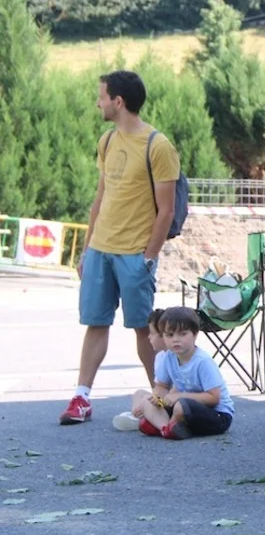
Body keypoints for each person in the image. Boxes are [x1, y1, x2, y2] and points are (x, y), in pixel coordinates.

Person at [63, 70, 181, 426]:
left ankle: (161, 397)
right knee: (95, 323)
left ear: (118, 101)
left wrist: (149, 256)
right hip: (101, 250)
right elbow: (100, 199)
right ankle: (81, 397)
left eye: (101, 97)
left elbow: (167, 211)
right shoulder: (107, 141)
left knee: (144, 329)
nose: (97, 102)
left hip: (134, 254)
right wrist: (87, 250)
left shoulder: (158, 146)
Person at [134, 306, 235, 440]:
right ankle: (166, 428)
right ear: (163, 336)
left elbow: (214, 398)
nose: (175, 339)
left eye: (182, 334)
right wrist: (157, 398)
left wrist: (179, 396)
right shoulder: (168, 357)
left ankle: (164, 425)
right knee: (146, 400)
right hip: (185, 406)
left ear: (195, 334)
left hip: (217, 415)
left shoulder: (202, 361)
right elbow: (161, 386)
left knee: (181, 406)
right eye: (170, 335)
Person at [113, 308, 166, 431]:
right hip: (162, 399)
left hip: (172, 401)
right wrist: (154, 397)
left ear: (164, 335)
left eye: (152, 333)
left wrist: (155, 399)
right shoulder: (160, 357)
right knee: (139, 394)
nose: (149, 337)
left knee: (146, 402)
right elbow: (158, 386)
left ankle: (152, 422)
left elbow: (172, 389)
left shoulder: (175, 358)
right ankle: (140, 416)